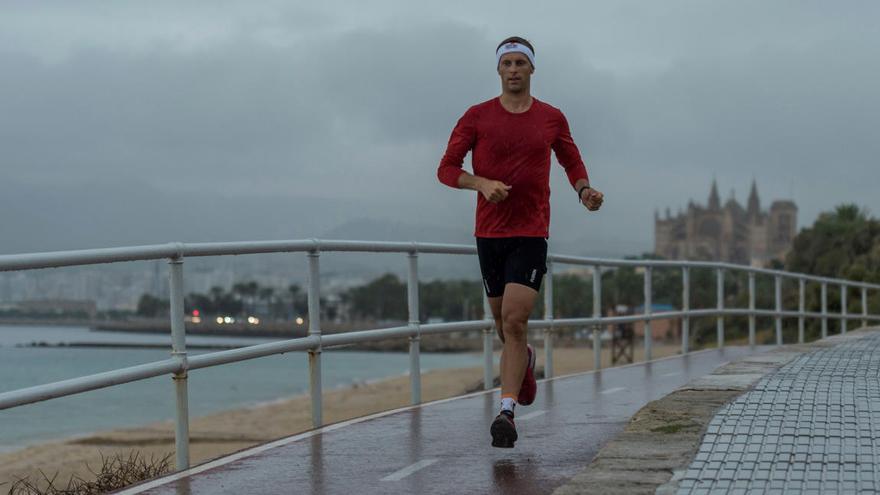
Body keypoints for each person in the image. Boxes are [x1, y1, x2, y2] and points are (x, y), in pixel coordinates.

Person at [437, 36, 604, 448]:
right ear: (498, 70)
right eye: (507, 63)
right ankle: (524, 361)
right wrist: (480, 183)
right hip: (489, 234)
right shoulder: (477, 116)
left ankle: (506, 412)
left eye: (521, 63)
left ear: (532, 70)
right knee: (502, 324)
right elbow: (446, 169)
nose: (513, 69)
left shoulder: (551, 117)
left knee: (514, 320)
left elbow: (571, 160)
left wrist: (584, 190)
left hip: (531, 231)